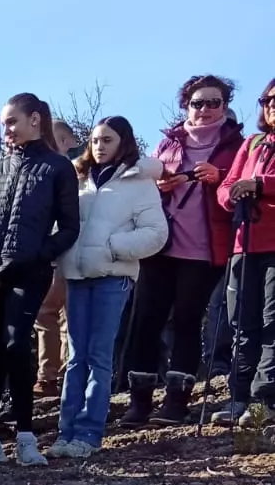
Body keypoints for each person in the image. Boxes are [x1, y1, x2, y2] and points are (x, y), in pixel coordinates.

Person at [121, 76, 245, 426]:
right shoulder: (168, 143)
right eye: (197, 103)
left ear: (225, 105)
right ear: (185, 105)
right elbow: (145, 188)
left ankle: (177, 402)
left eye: (213, 103)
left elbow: (237, 185)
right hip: (160, 244)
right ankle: (139, 401)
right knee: (146, 321)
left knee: (187, 321)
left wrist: (219, 176)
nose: (205, 110)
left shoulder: (236, 144)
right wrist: (159, 185)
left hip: (205, 248)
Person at [0, 96, 81, 467]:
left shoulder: (57, 167)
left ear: (35, 119)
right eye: (4, 123)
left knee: (16, 344)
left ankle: (26, 436)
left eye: (12, 121)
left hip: (29, 272)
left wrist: (36, 254)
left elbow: (69, 227)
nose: (7, 129)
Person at [50, 118, 167, 460]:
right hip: (76, 276)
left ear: (124, 142)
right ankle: (65, 431)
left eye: (108, 140)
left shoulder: (141, 183)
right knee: (76, 358)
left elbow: (156, 234)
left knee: (99, 357)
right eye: (95, 140)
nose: (99, 146)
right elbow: (63, 222)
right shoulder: (78, 179)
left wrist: (112, 248)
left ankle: (89, 432)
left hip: (112, 278)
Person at [214, 79, 275, 427]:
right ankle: (239, 397)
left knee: (272, 324)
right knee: (242, 325)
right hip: (244, 243)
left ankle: (263, 400)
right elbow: (226, 187)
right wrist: (233, 195)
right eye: (266, 100)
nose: (271, 105)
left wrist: (261, 185)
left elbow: (258, 182)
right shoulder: (253, 143)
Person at [34, 119, 83, 395]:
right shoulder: (81, 171)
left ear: (65, 141)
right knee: (61, 315)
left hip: (63, 249)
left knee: (50, 313)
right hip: (61, 250)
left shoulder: (69, 171)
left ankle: (50, 376)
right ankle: (60, 376)